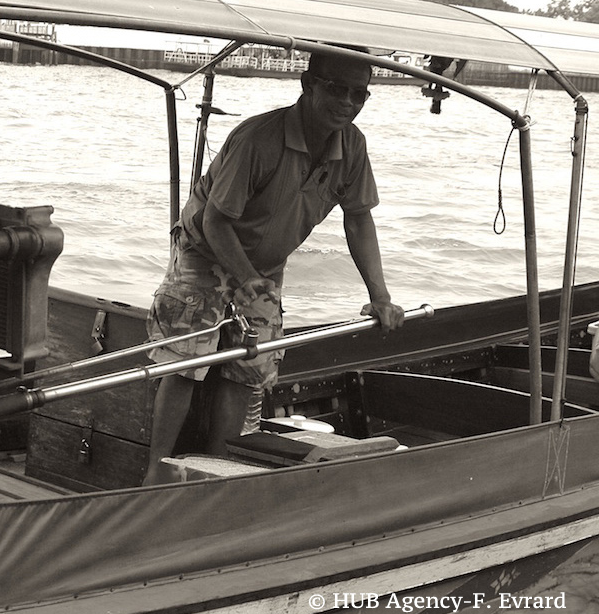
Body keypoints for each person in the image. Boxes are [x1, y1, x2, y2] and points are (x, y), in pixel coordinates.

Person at [141, 48, 405, 485]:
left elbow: (358, 218)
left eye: (359, 94)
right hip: (205, 251)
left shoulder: (353, 146)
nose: (347, 103)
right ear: (307, 85)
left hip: (265, 265)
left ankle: (215, 472)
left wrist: (380, 297)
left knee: (249, 367)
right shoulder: (257, 138)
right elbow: (215, 220)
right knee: (186, 362)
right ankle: (156, 471)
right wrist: (244, 279)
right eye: (336, 89)